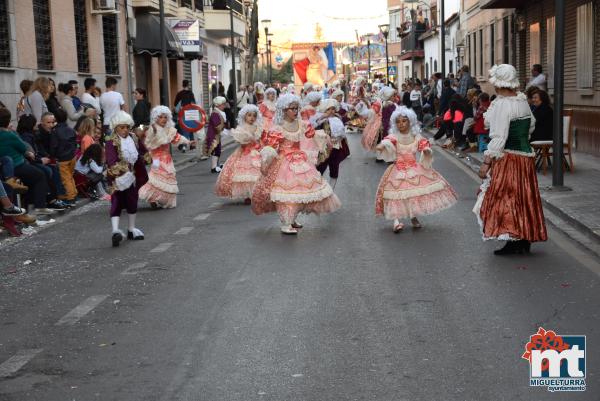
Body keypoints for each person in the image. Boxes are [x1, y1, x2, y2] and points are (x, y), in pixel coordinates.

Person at [474, 64, 547, 255]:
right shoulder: (522, 101)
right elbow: (531, 125)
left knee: (506, 198)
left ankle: (513, 238)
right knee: (524, 197)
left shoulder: (503, 105)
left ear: (499, 83)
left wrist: (487, 162)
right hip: (525, 158)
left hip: (509, 158)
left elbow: (498, 136)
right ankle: (524, 238)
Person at [251, 94, 341, 235]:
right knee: (286, 194)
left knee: (300, 193)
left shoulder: (302, 123)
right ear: (284, 110)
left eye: (296, 108)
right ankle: (286, 222)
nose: (295, 111)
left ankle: (293, 219)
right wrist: (266, 161)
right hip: (283, 164)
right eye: (292, 108)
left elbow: (313, 135)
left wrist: (326, 139)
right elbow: (271, 147)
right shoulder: (278, 128)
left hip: (300, 161)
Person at [375, 107, 457, 233]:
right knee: (396, 196)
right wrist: (381, 146)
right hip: (398, 170)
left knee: (412, 194)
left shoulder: (416, 136)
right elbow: (387, 142)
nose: (401, 124)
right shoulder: (394, 136)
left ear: (410, 122)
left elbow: (424, 145)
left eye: (404, 121)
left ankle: (413, 217)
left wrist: (426, 150)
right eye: (398, 121)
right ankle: (396, 221)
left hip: (414, 169)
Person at [0, 108, 57, 215]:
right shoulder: (9, 134)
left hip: (5, 166)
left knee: (34, 176)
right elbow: (23, 147)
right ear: (8, 121)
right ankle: (38, 207)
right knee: (39, 175)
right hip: (17, 164)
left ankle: (29, 207)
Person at [105, 111, 148, 246]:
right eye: (121, 127)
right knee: (116, 201)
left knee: (132, 201)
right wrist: (123, 170)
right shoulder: (111, 142)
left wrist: (149, 158)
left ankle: (131, 229)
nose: (124, 130)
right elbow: (111, 161)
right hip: (118, 178)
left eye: (126, 127)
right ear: (116, 127)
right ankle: (115, 230)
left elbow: (142, 151)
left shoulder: (133, 138)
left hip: (132, 177)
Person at [138, 106, 194, 209]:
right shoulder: (152, 128)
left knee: (168, 177)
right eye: (161, 117)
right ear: (155, 118)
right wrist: (145, 128)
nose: (163, 119)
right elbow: (142, 133)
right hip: (156, 159)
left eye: (165, 117)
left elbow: (178, 138)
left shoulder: (169, 130)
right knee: (154, 177)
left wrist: (189, 143)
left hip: (167, 159)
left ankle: (163, 200)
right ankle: (153, 198)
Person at [215, 104, 262, 203]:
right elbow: (240, 140)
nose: (252, 118)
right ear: (244, 116)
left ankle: (255, 193)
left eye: (254, 116)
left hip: (256, 153)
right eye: (249, 115)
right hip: (244, 153)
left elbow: (260, 139)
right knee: (245, 173)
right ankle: (247, 195)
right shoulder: (241, 128)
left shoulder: (258, 128)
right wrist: (246, 139)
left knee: (257, 173)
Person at [312, 99, 349, 189]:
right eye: (328, 109)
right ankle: (319, 188)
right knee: (321, 167)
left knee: (334, 167)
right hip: (324, 148)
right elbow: (313, 128)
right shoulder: (321, 120)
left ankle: (331, 189)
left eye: (333, 109)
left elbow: (342, 133)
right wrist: (321, 118)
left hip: (336, 147)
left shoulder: (337, 118)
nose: (331, 111)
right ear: (324, 110)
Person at [50, 109, 78, 204]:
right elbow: (75, 143)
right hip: (72, 156)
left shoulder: (55, 131)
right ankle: (74, 193)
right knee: (70, 176)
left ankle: (70, 197)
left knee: (66, 178)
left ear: (55, 118)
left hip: (62, 158)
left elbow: (54, 146)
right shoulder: (71, 130)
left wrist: (53, 155)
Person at [205, 97, 228, 173]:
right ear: (218, 105)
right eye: (223, 104)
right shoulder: (215, 113)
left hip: (217, 135)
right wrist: (223, 130)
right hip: (213, 135)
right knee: (215, 150)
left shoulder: (218, 112)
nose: (224, 106)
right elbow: (217, 126)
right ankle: (213, 167)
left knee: (218, 150)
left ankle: (216, 165)